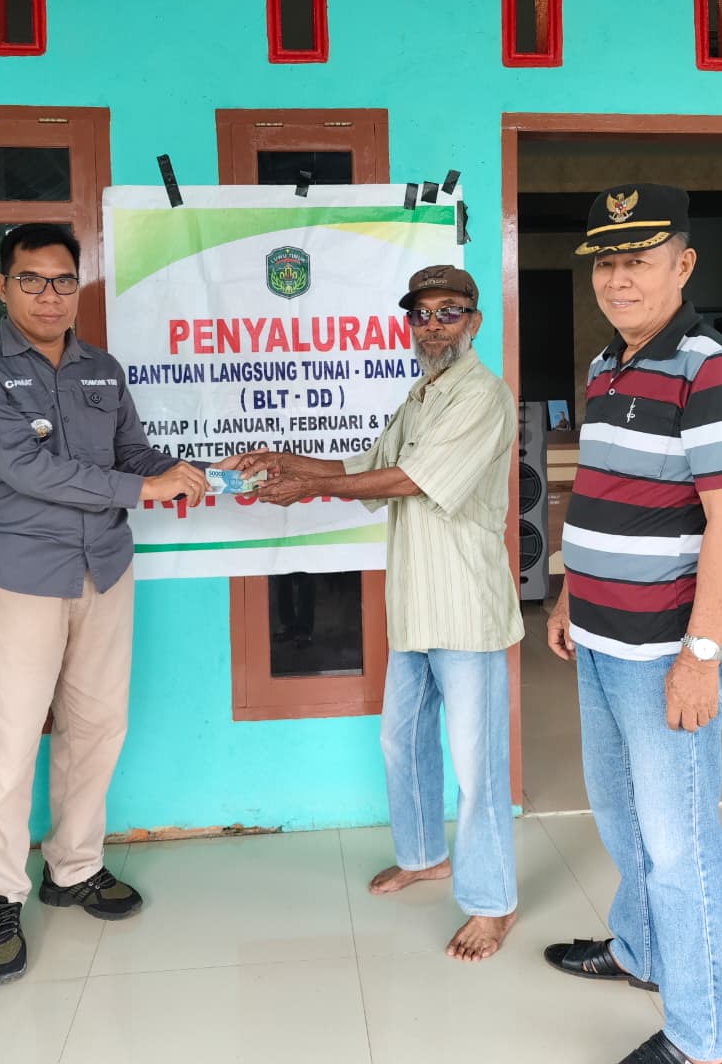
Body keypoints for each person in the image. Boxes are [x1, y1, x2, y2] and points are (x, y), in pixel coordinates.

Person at [0, 222, 210, 986]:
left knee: (96, 730)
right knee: (7, 746)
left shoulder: (102, 370)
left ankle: (75, 866)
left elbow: (132, 454)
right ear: (3, 286)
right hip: (20, 579)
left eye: (64, 281)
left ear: (78, 287)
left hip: (105, 573)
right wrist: (146, 487)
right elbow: (25, 467)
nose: (49, 296)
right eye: (31, 280)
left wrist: (191, 471)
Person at [241, 265, 523, 962]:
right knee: (402, 740)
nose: (433, 326)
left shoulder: (482, 395)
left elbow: (411, 481)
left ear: (474, 321)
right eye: (421, 314)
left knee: (478, 765)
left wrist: (307, 489)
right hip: (416, 607)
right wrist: (288, 462)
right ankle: (425, 855)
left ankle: (493, 903)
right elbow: (365, 467)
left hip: (465, 606)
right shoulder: (420, 396)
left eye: (448, 312)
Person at [544, 185, 722, 1064]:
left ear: (685, 264)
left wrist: (701, 655)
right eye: (607, 262)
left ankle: (704, 1039)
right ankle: (640, 951)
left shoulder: (712, 367)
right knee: (620, 817)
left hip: (664, 649)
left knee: (680, 846)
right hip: (599, 639)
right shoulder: (608, 364)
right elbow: (603, 493)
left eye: (638, 260)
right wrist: (570, 594)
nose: (618, 279)